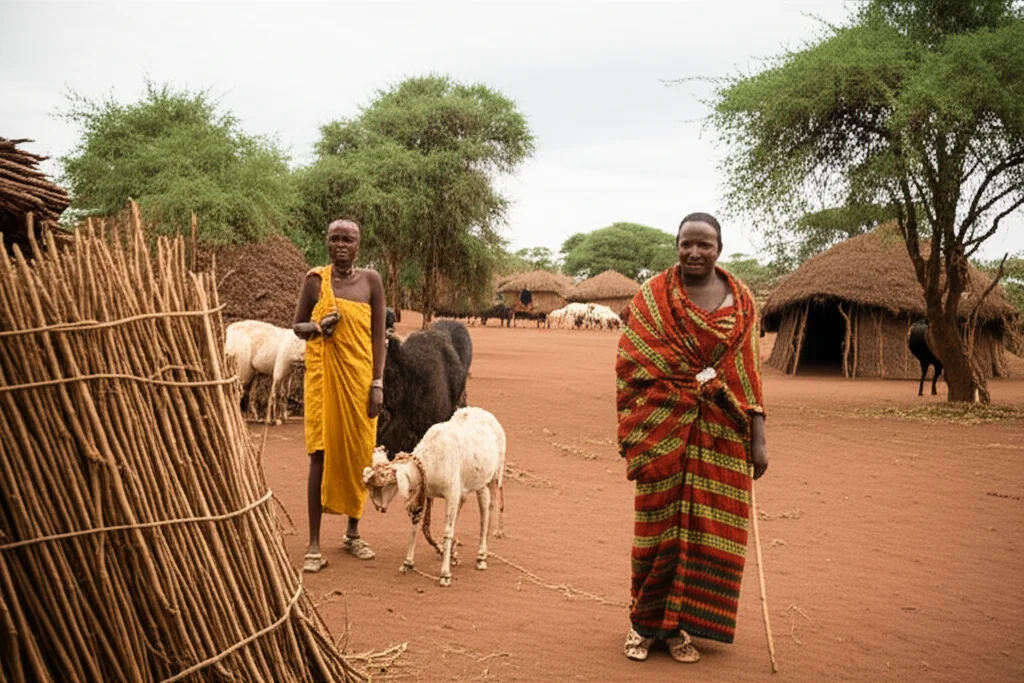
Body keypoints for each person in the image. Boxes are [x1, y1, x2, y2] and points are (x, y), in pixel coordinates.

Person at [616, 212, 769, 663]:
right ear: (677, 245)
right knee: (655, 529)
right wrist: (675, 396)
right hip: (663, 429)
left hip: (720, 433)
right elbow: (632, 365)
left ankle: (681, 628)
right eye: (687, 243)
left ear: (720, 248)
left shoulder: (742, 301)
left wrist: (758, 438)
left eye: (705, 244)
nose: (695, 252)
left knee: (707, 530)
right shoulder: (653, 298)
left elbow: (748, 373)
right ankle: (643, 626)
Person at [293, 219, 386, 571]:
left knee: (360, 452)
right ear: (327, 242)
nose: (341, 245)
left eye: (348, 239)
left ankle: (352, 533)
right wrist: (318, 327)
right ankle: (314, 545)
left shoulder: (371, 282)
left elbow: (378, 337)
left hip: (360, 380)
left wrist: (377, 383)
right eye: (335, 239)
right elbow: (298, 326)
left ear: (359, 245)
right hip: (324, 379)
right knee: (319, 453)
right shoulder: (315, 281)